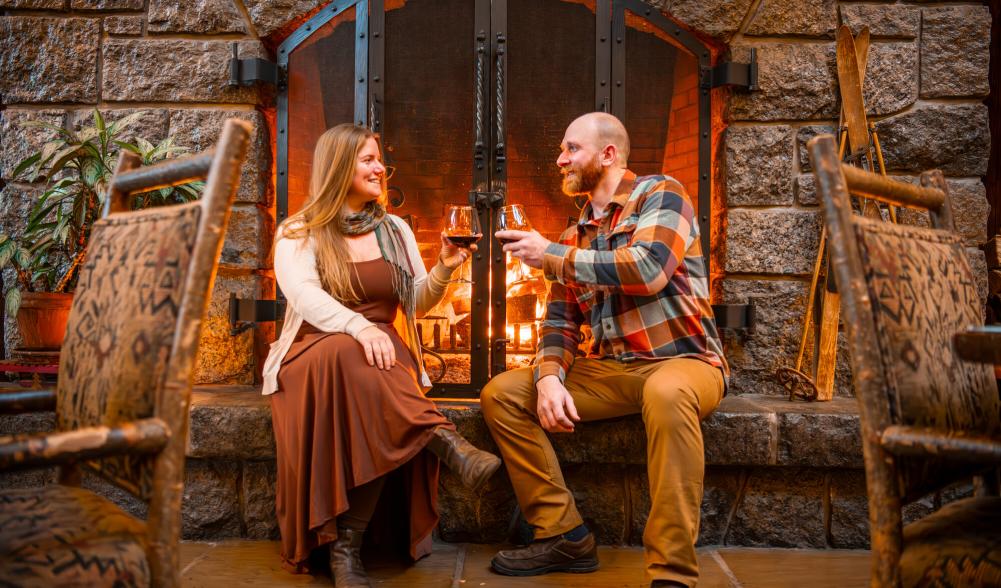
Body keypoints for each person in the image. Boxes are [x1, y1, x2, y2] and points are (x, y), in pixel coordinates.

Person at [482, 112, 728, 588]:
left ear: (608, 154)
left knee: (668, 394)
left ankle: (672, 573)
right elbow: (559, 321)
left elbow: (649, 268)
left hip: (684, 363)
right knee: (502, 394)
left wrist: (550, 255)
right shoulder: (575, 236)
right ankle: (563, 534)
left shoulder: (661, 193)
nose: (560, 159)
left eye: (571, 148)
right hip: (613, 371)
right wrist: (549, 374)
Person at [262, 123, 501, 587]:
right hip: (312, 354)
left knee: (372, 371)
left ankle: (345, 549)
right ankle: (442, 439)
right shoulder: (300, 230)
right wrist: (356, 326)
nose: (380, 168)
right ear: (338, 167)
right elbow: (304, 295)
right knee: (356, 354)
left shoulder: (395, 229)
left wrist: (445, 269)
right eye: (368, 159)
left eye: (379, 160)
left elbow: (414, 300)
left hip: (378, 357)